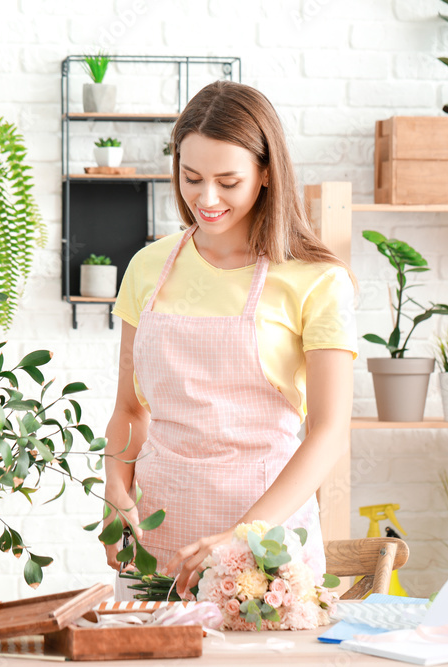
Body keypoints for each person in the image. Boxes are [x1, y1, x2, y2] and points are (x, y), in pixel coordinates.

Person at [102, 80, 356, 601]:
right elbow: (130, 408)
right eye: (191, 177)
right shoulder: (149, 266)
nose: (206, 198)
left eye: (228, 181)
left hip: (267, 547)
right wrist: (115, 487)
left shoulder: (316, 279)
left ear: (266, 175)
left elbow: (329, 431)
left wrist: (243, 537)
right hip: (159, 539)